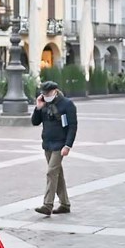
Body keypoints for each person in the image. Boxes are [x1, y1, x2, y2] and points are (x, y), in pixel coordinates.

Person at [31, 79, 77, 217]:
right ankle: (65, 204)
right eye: (44, 93)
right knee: (58, 174)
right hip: (47, 144)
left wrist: (68, 145)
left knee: (51, 172)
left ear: (55, 91)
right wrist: (38, 108)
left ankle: (47, 205)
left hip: (60, 144)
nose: (46, 95)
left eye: (48, 92)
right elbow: (35, 122)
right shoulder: (44, 104)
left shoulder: (67, 104)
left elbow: (72, 126)